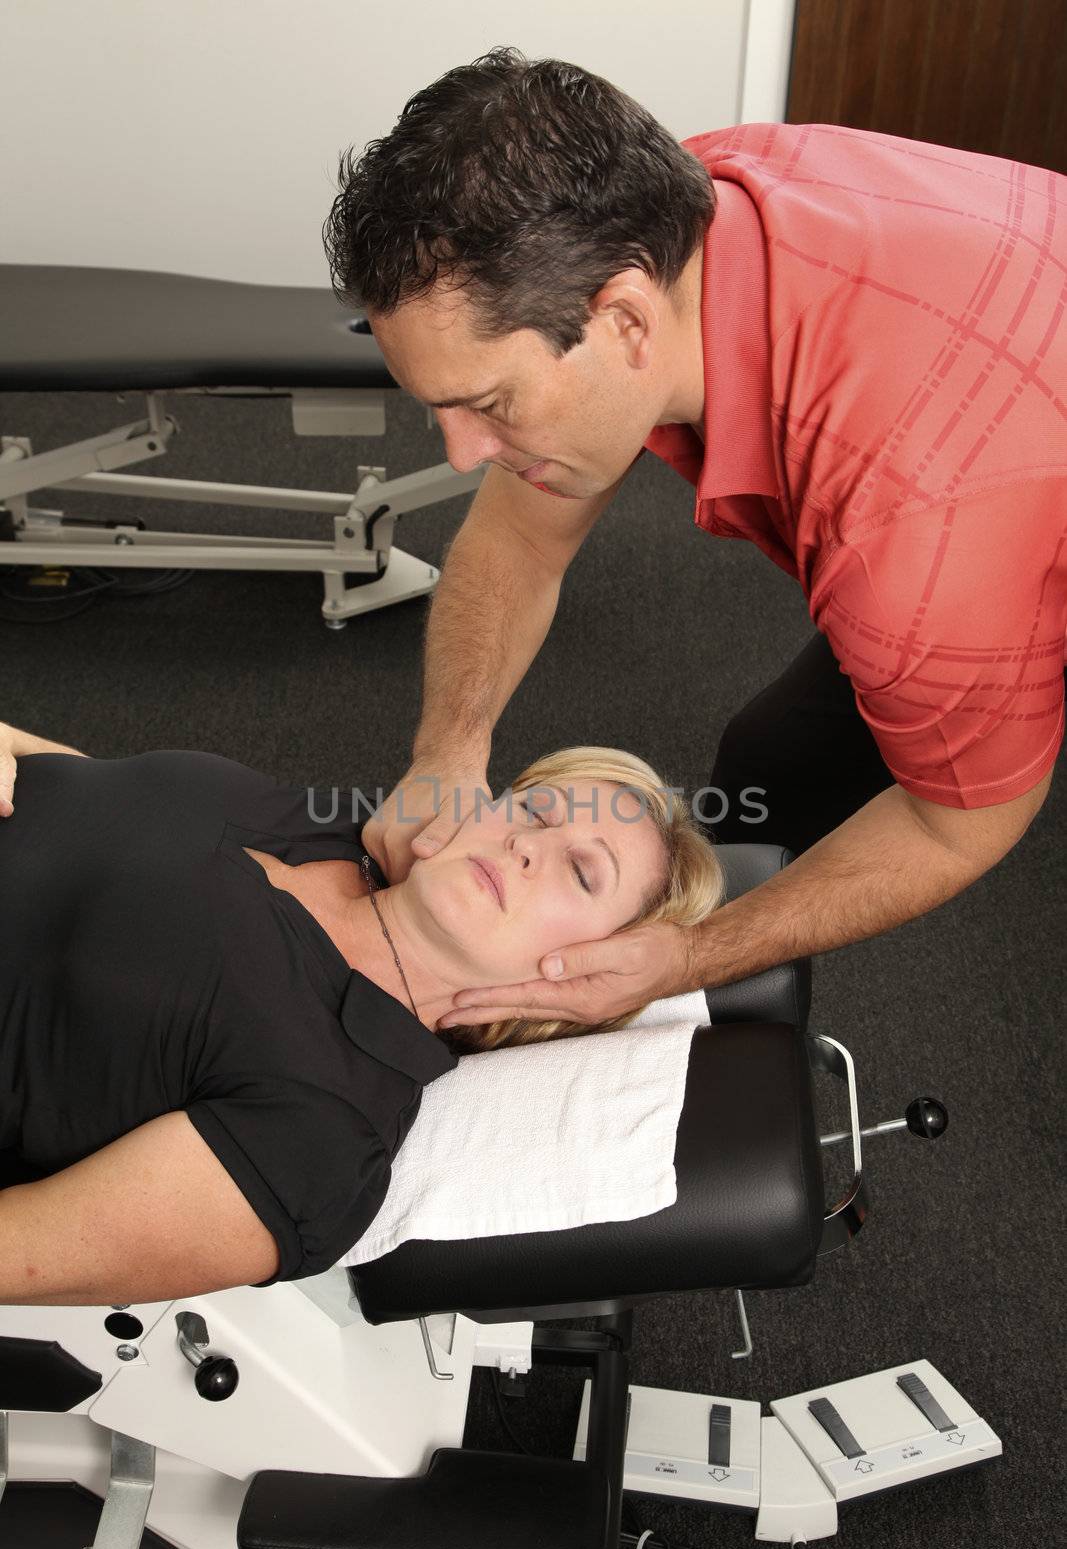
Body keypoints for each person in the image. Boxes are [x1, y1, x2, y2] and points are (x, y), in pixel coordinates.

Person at [320, 47, 1066, 1033]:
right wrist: (447, 753)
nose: (463, 456)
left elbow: (956, 826)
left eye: (489, 406)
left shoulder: (903, 545)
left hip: (972, 497)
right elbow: (518, 542)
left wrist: (685, 957)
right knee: (770, 770)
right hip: (993, 419)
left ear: (625, 322)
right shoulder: (667, 212)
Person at [0, 720, 721, 1303]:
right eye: (533, 809)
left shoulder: (320, 1125)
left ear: (585, 977)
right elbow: (102, 796)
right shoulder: (334, 830)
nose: (527, 845)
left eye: (582, 871)